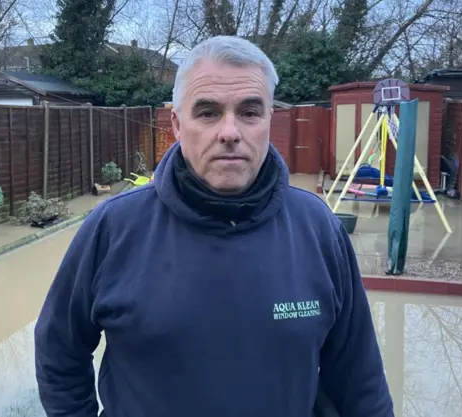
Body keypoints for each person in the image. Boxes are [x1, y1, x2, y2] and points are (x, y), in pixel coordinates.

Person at [34, 35, 394, 417]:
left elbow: (359, 377)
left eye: (249, 112)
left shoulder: (318, 228)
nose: (229, 132)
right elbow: (59, 350)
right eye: (207, 112)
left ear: (270, 118)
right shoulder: (113, 228)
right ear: (176, 122)